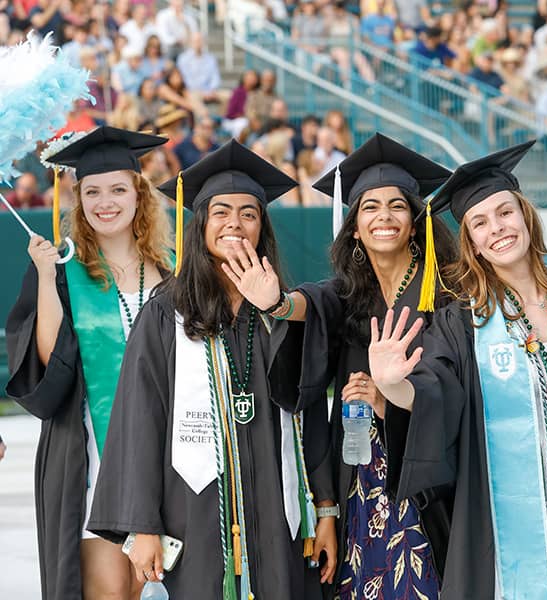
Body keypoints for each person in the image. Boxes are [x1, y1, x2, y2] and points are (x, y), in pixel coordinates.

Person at [87, 140, 337, 599]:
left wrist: (325, 510)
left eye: (249, 213)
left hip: (279, 512)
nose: (235, 224)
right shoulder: (166, 314)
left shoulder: (280, 310)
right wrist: (142, 526)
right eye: (221, 212)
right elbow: (140, 421)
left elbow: (310, 413)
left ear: (263, 226)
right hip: (193, 507)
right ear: (200, 223)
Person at [368, 142, 547, 600]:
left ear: (525, 216)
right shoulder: (463, 320)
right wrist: (392, 383)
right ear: (472, 244)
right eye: (480, 223)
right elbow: (435, 389)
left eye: (505, 213)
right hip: (517, 503)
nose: (497, 229)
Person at [258, 133, 457, 598]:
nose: (383, 217)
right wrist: (277, 305)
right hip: (361, 482)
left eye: (396, 206)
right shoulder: (348, 294)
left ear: (415, 222)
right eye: (369, 207)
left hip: (428, 484)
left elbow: (458, 392)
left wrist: (388, 399)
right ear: (353, 225)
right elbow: (307, 304)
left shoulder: (447, 293)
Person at [5, 127, 172, 600]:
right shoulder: (62, 273)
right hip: (92, 463)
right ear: (77, 199)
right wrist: (45, 276)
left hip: (174, 458)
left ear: (139, 195)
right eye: (92, 191)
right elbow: (46, 370)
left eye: (118, 189)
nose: (106, 202)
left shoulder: (175, 270)